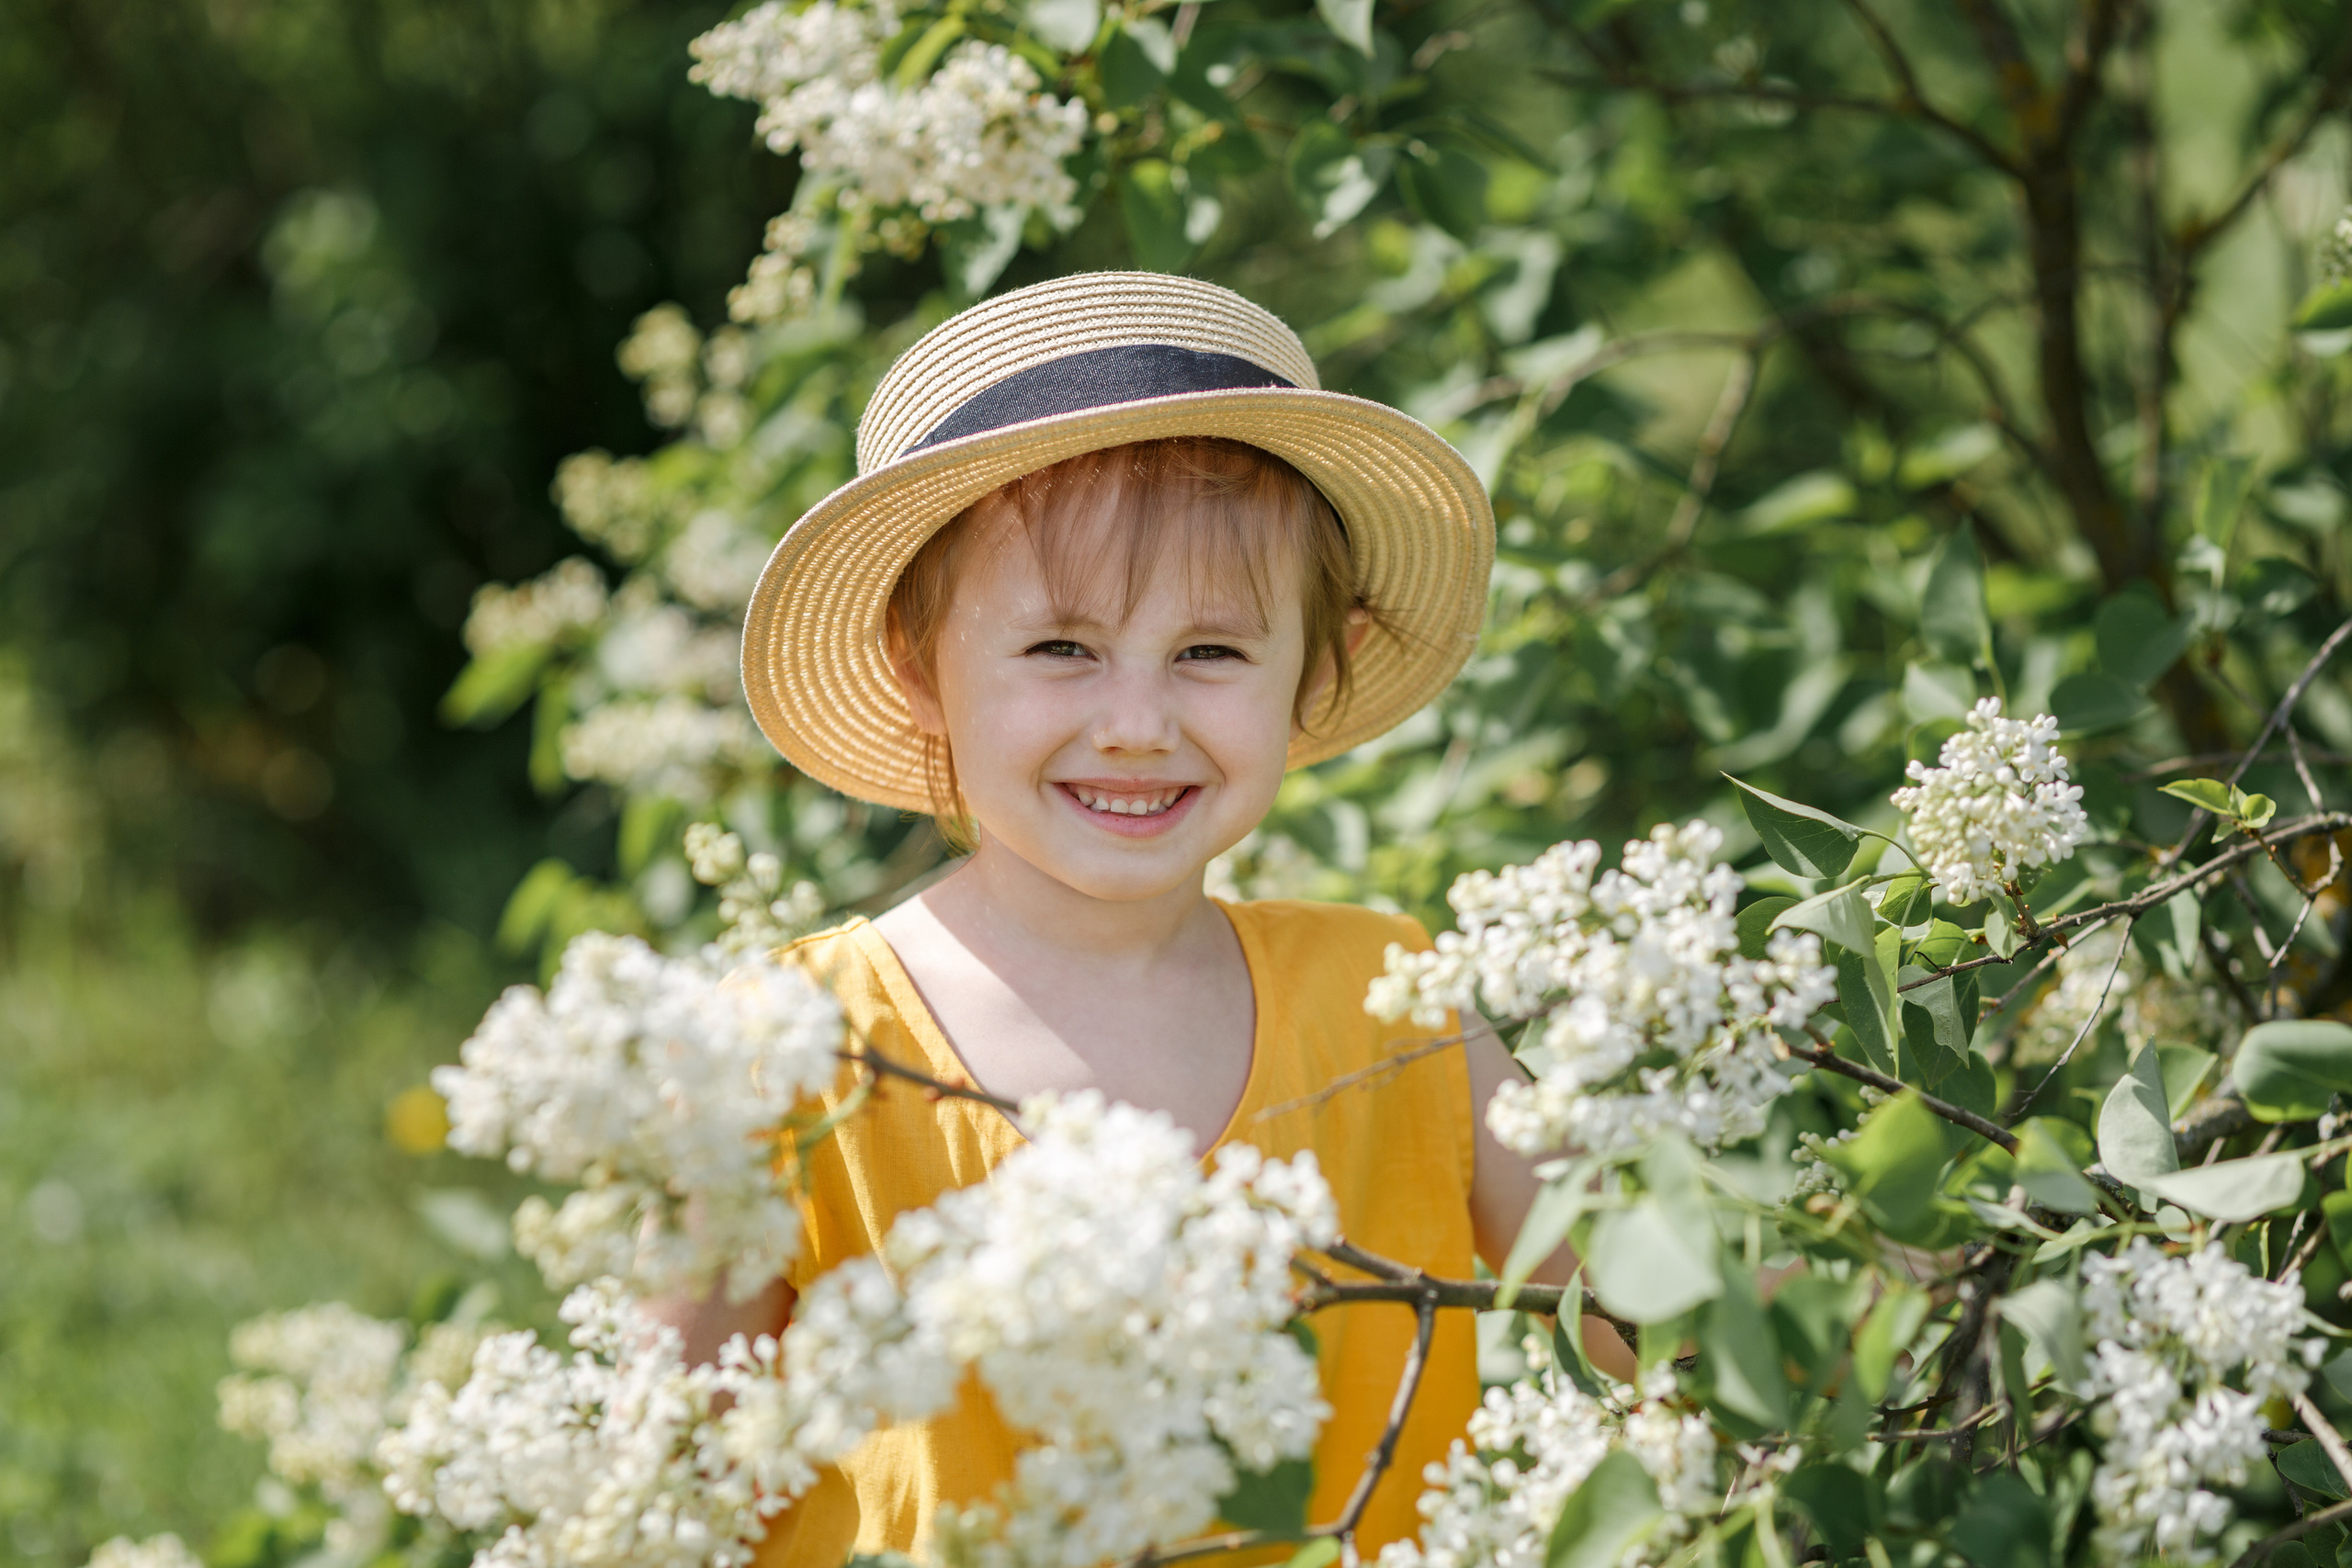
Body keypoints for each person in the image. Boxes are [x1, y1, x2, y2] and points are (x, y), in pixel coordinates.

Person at [657, 272, 1635, 1565]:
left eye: (1212, 653)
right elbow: (659, 1497)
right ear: (918, 667)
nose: (1135, 720)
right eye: (1061, 648)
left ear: (1313, 665)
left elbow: (1673, 1322)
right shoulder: (782, 1054)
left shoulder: (1395, 1001)